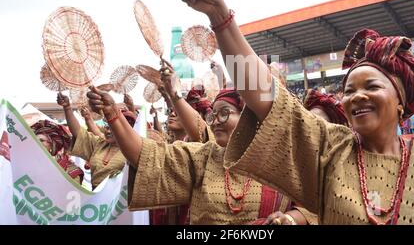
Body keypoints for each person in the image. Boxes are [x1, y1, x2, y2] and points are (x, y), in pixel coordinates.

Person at [171, 0, 414, 224]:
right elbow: (266, 96)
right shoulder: (331, 149)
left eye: (372, 87)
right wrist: (219, 15)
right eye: (349, 91)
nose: (357, 96)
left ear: (401, 101)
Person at [87, 84, 292, 224]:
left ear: (250, 118)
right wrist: (113, 114)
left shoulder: (283, 162)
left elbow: (313, 207)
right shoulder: (203, 156)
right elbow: (146, 157)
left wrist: (290, 219)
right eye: (213, 114)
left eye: (225, 113)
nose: (215, 121)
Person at [264, 89, 348, 225]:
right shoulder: (284, 159)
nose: (310, 132)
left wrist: (292, 219)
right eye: (306, 124)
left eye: (320, 127)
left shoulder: (344, 169)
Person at [57, 93, 136, 190]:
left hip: (121, 200)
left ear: (123, 130)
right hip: (98, 201)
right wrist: (67, 108)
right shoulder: (100, 143)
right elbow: (78, 133)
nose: (107, 131)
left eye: (112, 128)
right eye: (107, 127)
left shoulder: (134, 149)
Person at [31, 120, 84, 184]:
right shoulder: (30, 161)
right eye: (35, 139)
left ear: (53, 144)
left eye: (41, 140)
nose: (37, 142)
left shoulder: (70, 169)